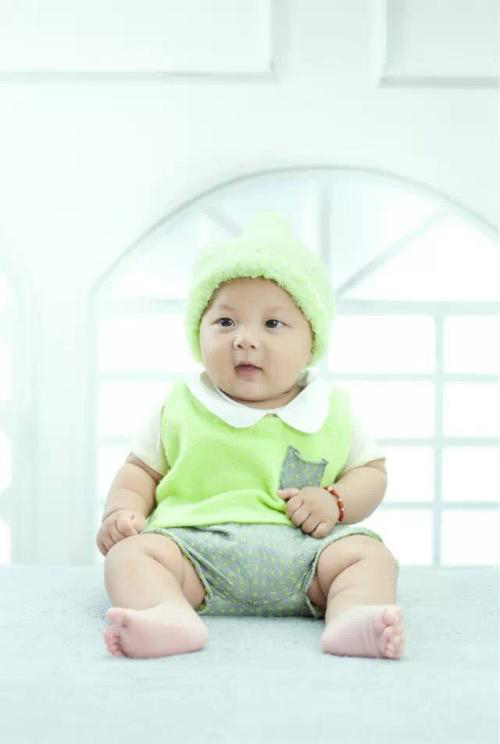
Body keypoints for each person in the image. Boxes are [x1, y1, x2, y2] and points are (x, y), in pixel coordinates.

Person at [97, 212, 405, 661]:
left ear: (312, 340)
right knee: (128, 557)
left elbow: (371, 474)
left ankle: (354, 616)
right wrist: (121, 513)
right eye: (225, 322)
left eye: (273, 324)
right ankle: (167, 614)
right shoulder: (180, 406)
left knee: (370, 557)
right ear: (198, 332)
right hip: (194, 551)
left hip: (306, 553)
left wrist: (335, 501)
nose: (244, 340)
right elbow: (138, 472)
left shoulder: (331, 409)